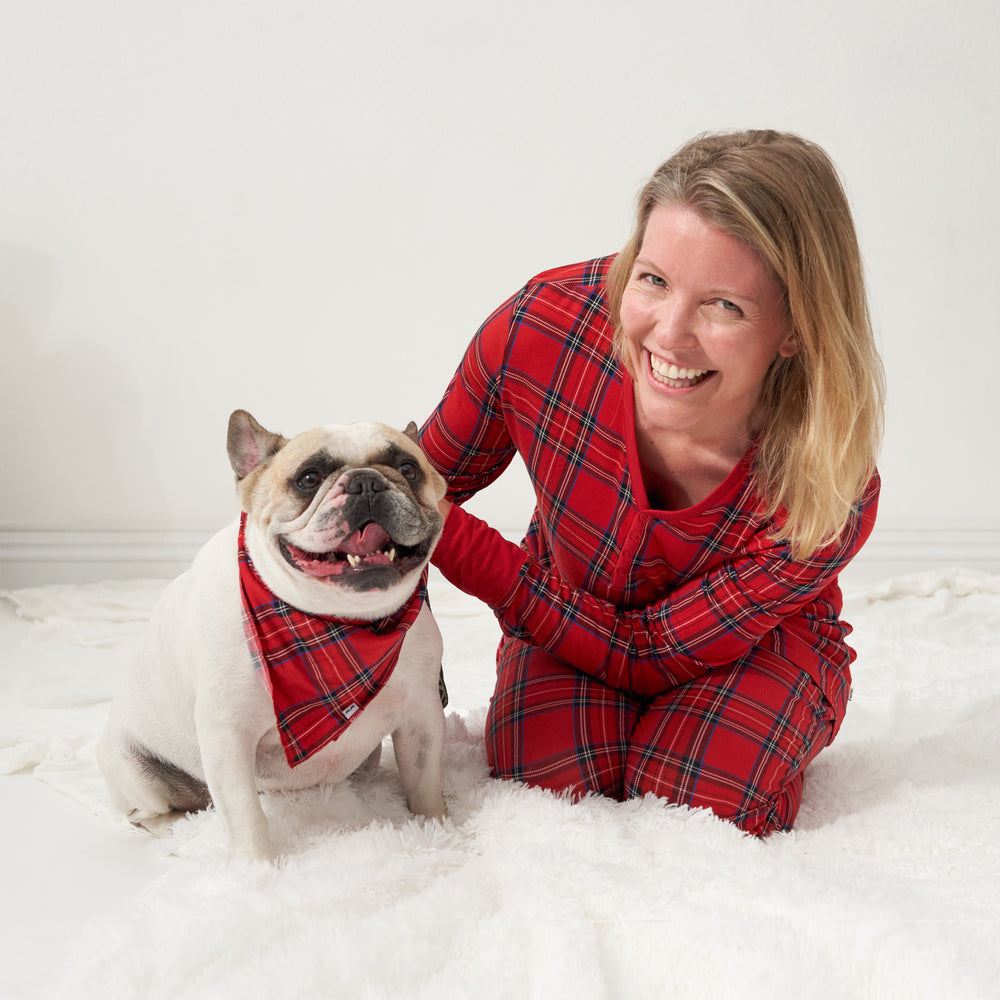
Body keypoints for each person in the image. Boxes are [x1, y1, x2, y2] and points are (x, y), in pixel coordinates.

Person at [419, 129, 884, 836]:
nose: (668, 335)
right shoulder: (540, 330)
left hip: (748, 646)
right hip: (571, 608)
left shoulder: (829, 481)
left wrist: (489, 567)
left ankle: (775, 714)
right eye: (654, 279)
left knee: (693, 802)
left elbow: (647, 652)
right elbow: (416, 487)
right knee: (549, 789)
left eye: (724, 305)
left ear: (796, 328)